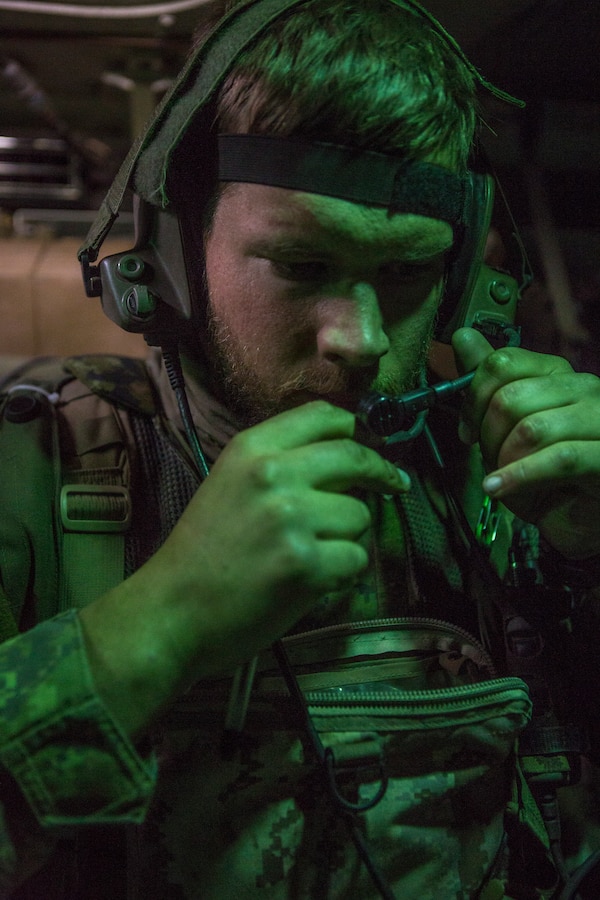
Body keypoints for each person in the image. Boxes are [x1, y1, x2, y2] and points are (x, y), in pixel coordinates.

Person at [2, 0, 600, 897]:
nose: (358, 339)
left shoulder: (502, 473)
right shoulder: (39, 467)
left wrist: (590, 556)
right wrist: (164, 621)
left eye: (406, 274)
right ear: (169, 253)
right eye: (302, 266)